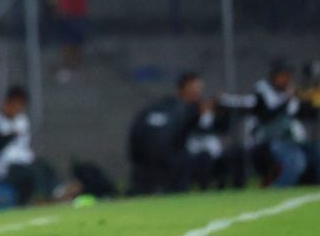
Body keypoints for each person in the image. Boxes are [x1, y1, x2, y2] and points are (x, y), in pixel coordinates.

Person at [221, 59, 320, 187]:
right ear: (275, 76)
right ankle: (277, 189)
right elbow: (267, 115)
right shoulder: (262, 91)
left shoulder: (290, 93)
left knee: (316, 151)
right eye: (284, 76)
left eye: (289, 76)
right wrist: (287, 99)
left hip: (292, 140)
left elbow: (303, 114)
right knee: (296, 161)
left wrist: (313, 102)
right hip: (267, 141)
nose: (287, 79)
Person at [128, 72, 223, 195]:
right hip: (168, 161)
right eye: (196, 88)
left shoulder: (186, 108)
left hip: (166, 161)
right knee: (203, 158)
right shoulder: (179, 109)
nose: (199, 92)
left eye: (200, 88)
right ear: (185, 87)